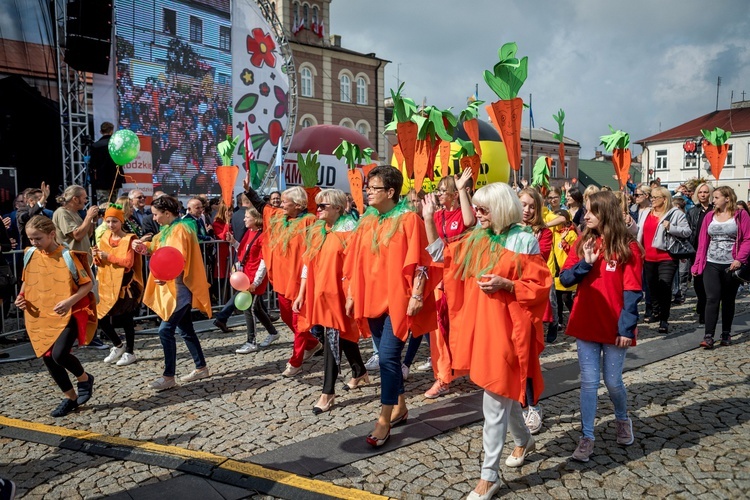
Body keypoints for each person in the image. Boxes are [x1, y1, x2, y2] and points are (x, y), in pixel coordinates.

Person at [434, 182, 549, 498]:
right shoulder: (479, 237)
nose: (477, 213)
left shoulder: (524, 240)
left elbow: (540, 288)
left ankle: (488, 476)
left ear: (499, 208)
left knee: (495, 399)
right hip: (485, 328)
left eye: (483, 209)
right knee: (501, 392)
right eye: (476, 207)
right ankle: (524, 439)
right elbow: (447, 258)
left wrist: (508, 284)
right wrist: (431, 219)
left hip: (510, 331)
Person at [344, 165, 438, 447]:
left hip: (397, 300)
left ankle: (383, 419)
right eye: (367, 188)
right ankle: (400, 406)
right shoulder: (367, 220)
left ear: (391, 191)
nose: (367, 193)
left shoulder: (409, 220)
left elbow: (423, 261)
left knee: (386, 358)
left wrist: (418, 295)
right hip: (370, 299)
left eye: (373, 188)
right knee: (389, 360)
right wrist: (351, 293)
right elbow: (356, 261)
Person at [560, 191, 642, 463]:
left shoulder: (628, 248)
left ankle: (622, 418)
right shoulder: (583, 242)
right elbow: (565, 278)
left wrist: (626, 329)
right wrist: (585, 264)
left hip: (614, 326)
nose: (586, 216)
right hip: (585, 323)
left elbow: (632, 291)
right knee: (589, 382)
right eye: (585, 210)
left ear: (605, 213)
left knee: (613, 381)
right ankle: (587, 437)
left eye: (592, 211)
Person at [292, 189, 367, 415]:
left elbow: (356, 267)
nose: (318, 209)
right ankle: (359, 372)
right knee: (339, 335)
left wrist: (352, 295)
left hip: (340, 296)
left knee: (332, 337)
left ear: (338, 207)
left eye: (323, 205)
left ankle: (327, 392)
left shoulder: (350, 231)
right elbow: (308, 263)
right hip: (320, 294)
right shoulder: (319, 230)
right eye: (318, 205)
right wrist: (301, 293)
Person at [16, 215, 97, 417]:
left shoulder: (67, 256)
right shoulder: (30, 254)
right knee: (48, 357)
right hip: (41, 315)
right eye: (31, 239)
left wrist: (69, 300)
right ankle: (70, 398)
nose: (34, 243)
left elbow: (87, 284)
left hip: (67, 313)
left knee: (59, 354)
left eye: (38, 238)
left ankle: (84, 378)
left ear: (52, 234)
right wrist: (21, 296)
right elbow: (28, 280)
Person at [132, 195, 212, 390]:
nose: (154, 218)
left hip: (179, 290)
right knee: (185, 330)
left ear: (167, 213)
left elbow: (178, 259)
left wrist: (165, 275)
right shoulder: (170, 228)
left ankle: (168, 377)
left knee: (165, 331)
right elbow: (158, 248)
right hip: (176, 289)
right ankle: (201, 367)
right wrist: (142, 246)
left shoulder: (180, 230)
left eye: (156, 214)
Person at [243, 176, 320, 373]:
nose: (281, 204)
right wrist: (250, 190)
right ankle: (313, 344)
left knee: (298, 321)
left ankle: (296, 361)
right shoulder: (279, 217)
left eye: (285, 201)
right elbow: (263, 208)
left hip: (300, 281)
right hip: (282, 281)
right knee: (287, 317)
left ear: (298, 204)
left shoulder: (310, 221)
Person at [419, 170, 476, 399]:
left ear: (454, 194)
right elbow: (434, 251)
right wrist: (428, 219)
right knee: (439, 334)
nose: (440, 194)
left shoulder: (464, 213)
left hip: (462, 281)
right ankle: (443, 377)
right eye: (438, 190)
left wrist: (462, 188)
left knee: (463, 330)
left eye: (444, 190)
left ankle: (470, 367)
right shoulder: (437, 215)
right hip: (440, 282)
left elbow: (470, 221)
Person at [213, 208, 278, 354]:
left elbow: (263, 261)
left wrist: (256, 281)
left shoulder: (263, 236)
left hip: (255, 277)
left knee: (250, 308)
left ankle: (251, 341)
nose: (244, 219)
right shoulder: (250, 233)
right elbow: (244, 251)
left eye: (247, 217)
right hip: (246, 276)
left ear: (255, 219)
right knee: (257, 308)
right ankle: (273, 333)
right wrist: (234, 242)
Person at [691, 186, 750, 349]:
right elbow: (703, 242)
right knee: (712, 298)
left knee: (728, 300)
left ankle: (726, 333)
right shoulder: (710, 216)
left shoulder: (740, 215)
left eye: (716, 197)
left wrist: (739, 259)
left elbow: (747, 239)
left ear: (727, 199)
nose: (713, 200)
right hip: (711, 263)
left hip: (731, 265)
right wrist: (698, 264)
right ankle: (708, 336)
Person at [518, 187, 553, 434]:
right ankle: (517, 404)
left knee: (528, 358)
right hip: (508, 303)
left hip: (529, 302)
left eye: (532, 206)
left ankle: (533, 406)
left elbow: (533, 267)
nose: (527, 210)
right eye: (523, 204)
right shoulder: (505, 230)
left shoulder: (543, 234)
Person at [92, 204, 144, 366]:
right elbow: (100, 264)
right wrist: (96, 257)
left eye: (114, 221)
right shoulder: (104, 238)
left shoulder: (129, 239)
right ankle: (117, 345)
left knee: (126, 319)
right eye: (108, 221)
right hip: (107, 286)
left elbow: (128, 263)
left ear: (121, 222)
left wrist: (108, 256)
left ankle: (129, 351)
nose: (111, 225)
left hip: (125, 287)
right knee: (101, 317)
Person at [636, 186, 690, 334]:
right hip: (648, 257)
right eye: (651, 197)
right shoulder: (646, 212)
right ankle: (656, 311)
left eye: (655, 197)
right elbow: (639, 231)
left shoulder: (675, 213)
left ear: (664, 199)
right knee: (652, 287)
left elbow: (687, 231)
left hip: (667, 257)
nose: (652, 200)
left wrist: (671, 227)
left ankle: (664, 319)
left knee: (665, 287)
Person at [52, 185, 99, 266]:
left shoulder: (75, 213)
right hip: (72, 263)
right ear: (75, 199)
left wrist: (92, 221)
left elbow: (86, 235)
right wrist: (88, 217)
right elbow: (77, 236)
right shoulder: (62, 213)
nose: (86, 201)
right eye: (84, 198)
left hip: (83, 263)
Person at [687, 183, 713, 324]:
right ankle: (701, 303)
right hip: (696, 251)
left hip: (711, 251)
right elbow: (689, 232)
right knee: (697, 282)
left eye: (705, 192)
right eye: (700, 192)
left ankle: (704, 310)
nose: (703, 195)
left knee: (708, 282)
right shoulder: (692, 211)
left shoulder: (714, 210)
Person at [89, 122, 121, 202]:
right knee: (113, 203)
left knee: (103, 204)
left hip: (101, 179)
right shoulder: (117, 144)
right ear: (112, 131)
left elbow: (93, 164)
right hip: (115, 178)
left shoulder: (96, 145)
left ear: (101, 132)